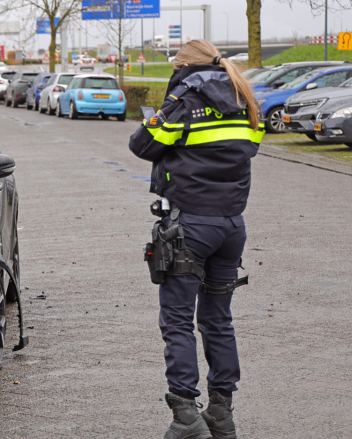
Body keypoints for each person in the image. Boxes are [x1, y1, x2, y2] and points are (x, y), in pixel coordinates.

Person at [128, 40, 265, 439]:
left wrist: (162, 114)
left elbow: (142, 145)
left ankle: (186, 414)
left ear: (184, 66)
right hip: (231, 227)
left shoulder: (185, 101)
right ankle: (221, 412)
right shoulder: (245, 101)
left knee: (177, 320)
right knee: (218, 320)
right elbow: (249, 147)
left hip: (189, 227)